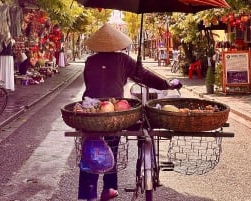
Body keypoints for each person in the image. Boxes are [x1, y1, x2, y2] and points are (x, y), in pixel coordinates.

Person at [78, 23, 182, 201]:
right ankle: (109, 188)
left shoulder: (90, 61)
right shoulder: (123, 60)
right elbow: (145, 76)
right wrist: (166, 84)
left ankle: (89, 193)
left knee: (91, 149)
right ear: (117, 43)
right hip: (115, 112)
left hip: (90, 111)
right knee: (111, 147)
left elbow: (90, 83)